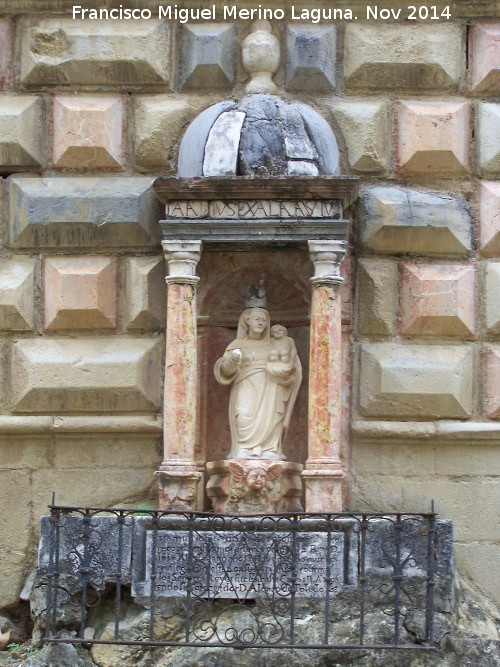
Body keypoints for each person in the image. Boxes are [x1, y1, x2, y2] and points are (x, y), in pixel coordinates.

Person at [214, 306, 302, 460]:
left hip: (272, 386)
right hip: (245, 384)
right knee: (243, 414)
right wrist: (233, 361)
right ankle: (243, 447)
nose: (261, 323)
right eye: (257, 319)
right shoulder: (237, 344)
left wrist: (286, 375)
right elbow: (225, 370)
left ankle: (270, 448)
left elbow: (292, 366)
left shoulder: (275, 343)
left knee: (271, 415)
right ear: (247, 321)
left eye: (264, 320)